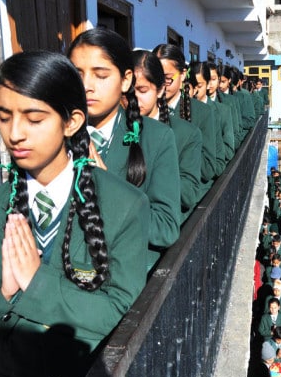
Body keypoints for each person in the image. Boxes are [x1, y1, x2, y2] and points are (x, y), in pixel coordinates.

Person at [0, 51, 149, 377]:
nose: (14, 133)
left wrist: (35, 282)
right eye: (4, 116)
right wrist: (3, 290)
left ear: (71, 122)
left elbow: (120, 314)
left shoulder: (124, 204)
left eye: (34, 119)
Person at [68, 28, 180, 268]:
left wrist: (110, 192)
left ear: (126, 79)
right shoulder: (56, 134)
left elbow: (166, 228)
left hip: (120, 279)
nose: (86, 85)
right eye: (77, 74)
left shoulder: (156, 137)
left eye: (100, 75)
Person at [131, 49, 202, 221]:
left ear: (160, 89)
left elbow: (189, 194)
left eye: (142, 90)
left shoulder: (186, 134)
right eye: (128, 91)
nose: (134, 98)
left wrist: (160, 172)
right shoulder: (119, 130)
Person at [153, 44, 217, 188]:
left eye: (168, 78)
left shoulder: (202, 112)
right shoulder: (146, 109)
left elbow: (208, 169)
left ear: (183, 74)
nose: (161, 84)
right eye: (155, 77)